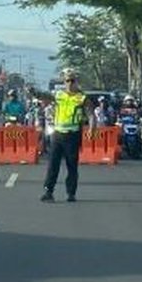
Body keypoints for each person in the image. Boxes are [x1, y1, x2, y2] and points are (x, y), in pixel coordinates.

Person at [42, 68, 89, 202]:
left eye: (72, 81)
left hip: (72, 135)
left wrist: (92, 128)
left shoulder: (81, 97)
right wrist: (34, 92)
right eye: (67, 81)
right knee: (53, 164)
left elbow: (91, 114)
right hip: (57, 134)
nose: (69, 83)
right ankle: (48, 191)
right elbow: (44, 96)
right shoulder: (58, 95)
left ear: (76, 82)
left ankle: (71, 193)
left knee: (71, 165)